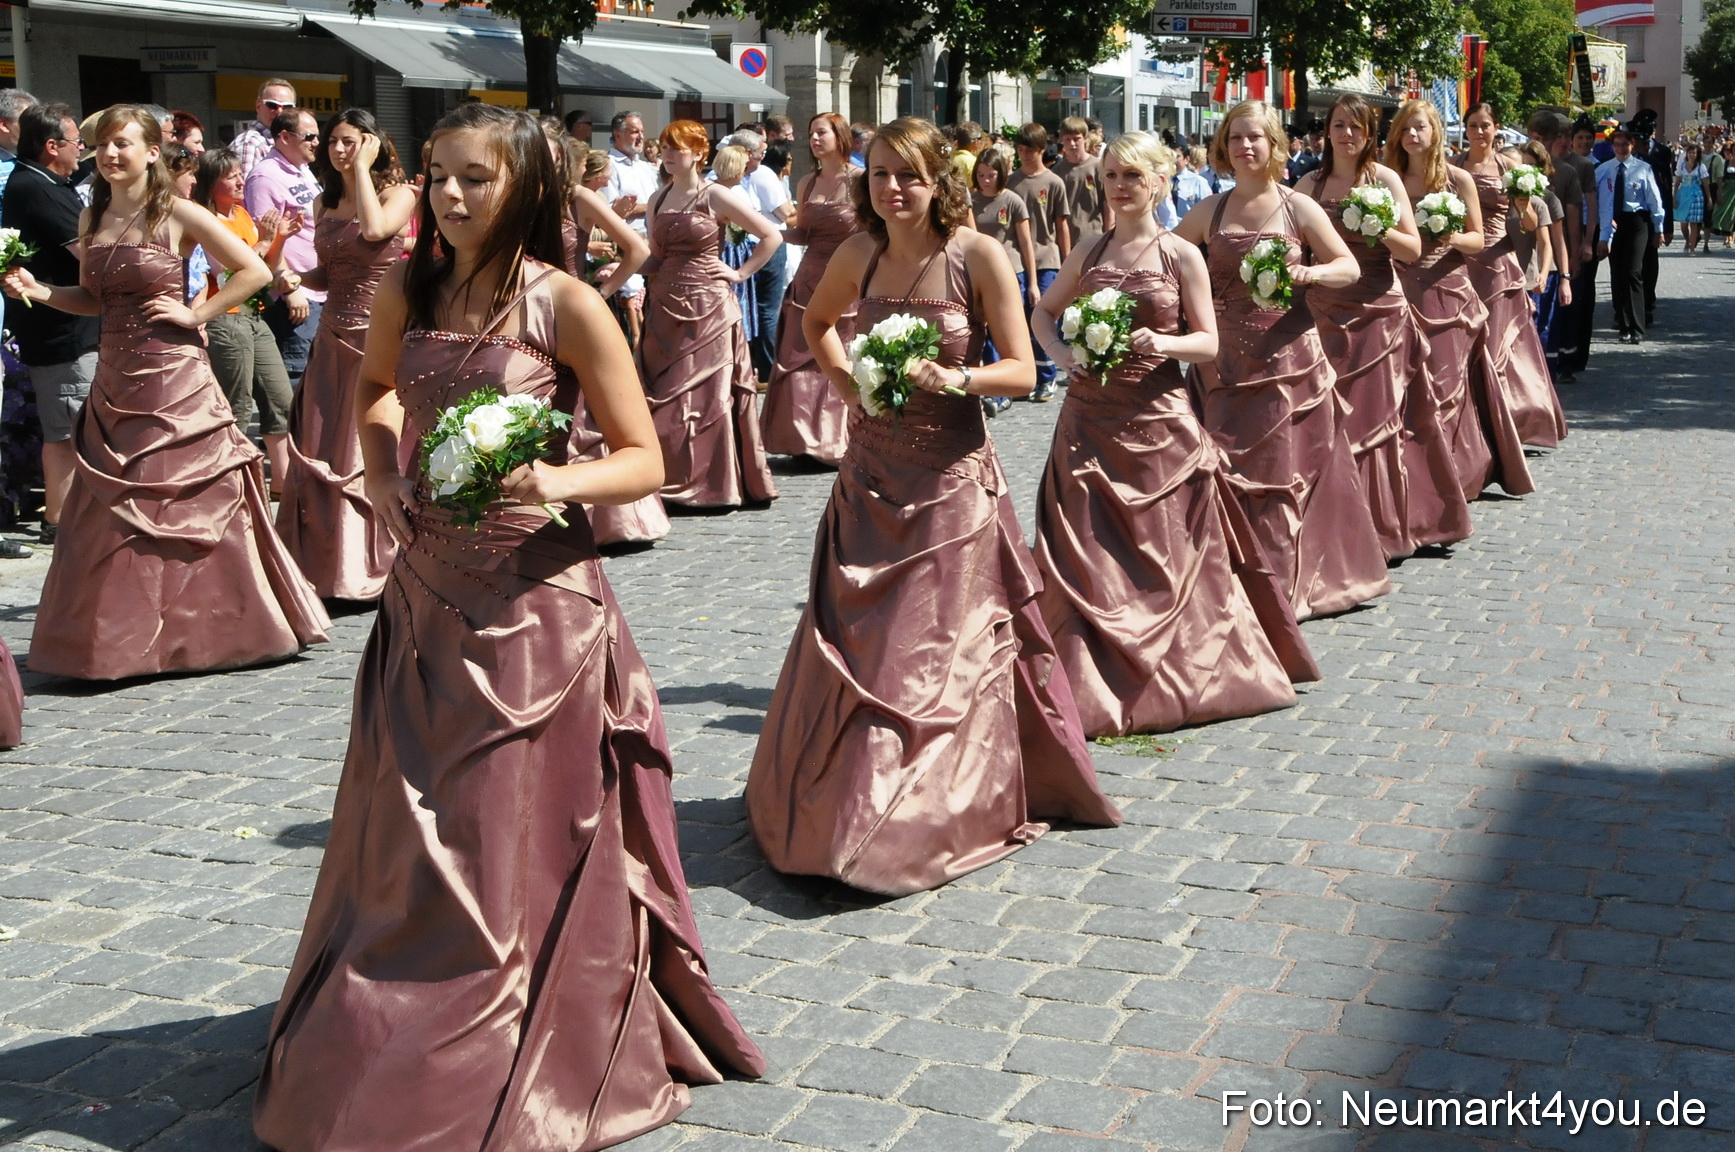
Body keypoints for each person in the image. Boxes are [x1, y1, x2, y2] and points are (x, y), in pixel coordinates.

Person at [251, 102, 763, 1151]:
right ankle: (399, 1016)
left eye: (472, 178)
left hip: (536, 605)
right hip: (428, 596)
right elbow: (381, 389)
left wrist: (555, 475)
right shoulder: (410, 285)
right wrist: (384, 475)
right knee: (414, 832)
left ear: (523, 185)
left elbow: (644, 458)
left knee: (508, 828)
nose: (447, 194)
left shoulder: (567, 304)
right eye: (438, 174)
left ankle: (525, 1026)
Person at [747, 117, 1120, 896]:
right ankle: (851, 794)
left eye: (909, 175)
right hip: (872, 475)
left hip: (951, 482)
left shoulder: (974, 254)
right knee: (865, 640)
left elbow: (1021, 372)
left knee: (937, 650)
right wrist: (849, 385)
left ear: (938, 181)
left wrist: (956, 380)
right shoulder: (860, 252)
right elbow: (814, 322)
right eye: (880, 173)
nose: (892, 188)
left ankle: (930, 804)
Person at [1, 105, 329, 679]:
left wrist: (195, 311)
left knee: (185, 499)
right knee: (118, 508)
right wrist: (40, 290)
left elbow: (252, 271)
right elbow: (92, 299)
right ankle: (124, 636)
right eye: (102, 145)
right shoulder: (90, 218)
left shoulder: (176, 212)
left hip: (175, 378)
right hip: (115, 379)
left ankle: (209, 630)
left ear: (153, 152)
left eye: (123, 144)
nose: (109, 154)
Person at [1031, 131, 1320, 737]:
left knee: (1167, 553)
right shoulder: (1087, 250)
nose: (1121, 188)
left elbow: (1208, 342)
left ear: (1161, 181)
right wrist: (1062, 355)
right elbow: (1043, 311)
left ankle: (1181, 671)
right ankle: (1088, 680)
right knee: (1087, 551)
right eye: (1111, 177)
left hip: (1159, 423)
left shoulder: (1180, 254)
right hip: (1087, 422)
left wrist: (1163, 343)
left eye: (1133, 176)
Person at [1173, 100, 1391, 621]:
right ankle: (1225, 577)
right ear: (1223, 146)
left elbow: (1347, 266)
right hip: (1222, 365)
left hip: (1289, 360)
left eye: (1255, 138)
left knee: (1288, 476)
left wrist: (1309, 276)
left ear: (1274, 145)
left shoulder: (1298, 207)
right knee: (1221, 469)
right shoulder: (1211, 210)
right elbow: (1167, 263)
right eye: (1235, 138)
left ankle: (1286, 580)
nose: (1244, 147)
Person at [1299, 93, 1470, 562]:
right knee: (1327, 420)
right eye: (1338, 125)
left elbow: (1412, 251)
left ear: (1369, 134)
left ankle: (1384, 527)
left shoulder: (1386, 179)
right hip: (1322, 316)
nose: (1346, 135)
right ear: (1327, 131)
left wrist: (1376, 225)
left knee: (1375, 421)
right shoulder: (1308, 184)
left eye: (1356, 127)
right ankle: (1333, 524)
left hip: (1378, 312)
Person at [273, 110, 417, 601]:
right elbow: (329, 274)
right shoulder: (322, 203)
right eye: (332, 142)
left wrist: (362, 171)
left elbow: (376, 234)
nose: (337, 150)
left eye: (349, 142)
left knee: (368, 445)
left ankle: (375, 560)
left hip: (382, 337)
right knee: (321, 445)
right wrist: (294, 278)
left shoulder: (398, 195)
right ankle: (322, 562)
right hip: (333, 337)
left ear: (373, 144)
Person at [1387, 99, 1530, 501]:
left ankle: (1456, 474)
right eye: (1406, 129)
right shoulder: (1386, 180)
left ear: (1435, 134)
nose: (1412, 136)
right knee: (1406, 386)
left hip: (1446, 290)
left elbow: (1477, 239)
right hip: (1398, 289)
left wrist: (1444, 233)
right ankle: (1413, 476)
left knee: (1447, 384)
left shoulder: (1457, 179)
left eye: (1421, 129)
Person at [638, 120, 780, 509]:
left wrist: (740, 273)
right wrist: (624, 266)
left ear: (700, 154)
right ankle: (671, 476)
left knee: (708, 398)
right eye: (665, 147)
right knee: (665, 395)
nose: (668, 155)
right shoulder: (657, 198)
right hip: (665, 307)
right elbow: (656, 258)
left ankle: (712, 484)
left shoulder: (714, 195)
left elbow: (771, 235)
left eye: (677, 148)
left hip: (709, 309)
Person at [545, 122, 664, 547]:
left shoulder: (578, 197)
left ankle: (612, 518)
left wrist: (604, 290)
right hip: (530, 314)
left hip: (574, 313)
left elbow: (637, 248)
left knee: (589, 409)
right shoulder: (521, 201)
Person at [1, 102, 94, 554]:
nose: (82, 150)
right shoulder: (38, 188)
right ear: (51, 146)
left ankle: (62, 519)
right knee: (71, 430)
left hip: (65, 328)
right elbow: (89, 256)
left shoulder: (47, 182)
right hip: (62, 333)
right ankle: (64, 523)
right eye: (77, 142)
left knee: (66, 430)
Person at [1452, 103, 1567, 448]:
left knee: (1498, 345)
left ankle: (1507, 424)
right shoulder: (1454, 166)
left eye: (1485, 125)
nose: (1479, 132)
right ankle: (1469, 424)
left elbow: (1532, 224)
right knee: (1464, 345)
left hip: (1498, 261)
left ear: (1496, 127)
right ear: (1467, 129)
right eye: (1473, 126)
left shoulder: (1509, 165)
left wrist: (1521, 205)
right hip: (1460, 261)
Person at [191, 148, 298, 494]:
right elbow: (228, 271)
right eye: (231, 175)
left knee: (281, 399)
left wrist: (278, 238)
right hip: (226, 316)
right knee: (235, 405)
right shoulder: (205, 219)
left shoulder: (242, 214)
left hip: (255, 313)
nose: (240, 180)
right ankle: (231, 488)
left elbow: (264, 269)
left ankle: (282, 484)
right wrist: (265, 240)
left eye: (240, 173)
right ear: (211, 183)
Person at [762, 113, 862, 467]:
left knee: (839, 356)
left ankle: (836, 439)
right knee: (797, 356)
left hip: (850, 277)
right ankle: (800, 438)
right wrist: (767, 233)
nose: (815, 139)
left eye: (822, 132)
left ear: (840, 135)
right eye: (811, 133)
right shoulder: (806, 182)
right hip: (810, 277)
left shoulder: (861, 181)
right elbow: (802, 232)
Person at [245, 107, 325, 385]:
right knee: (298, 376)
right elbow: (265, 240)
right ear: (284, 137)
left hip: (318, 289)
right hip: (295, 296)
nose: (317, 141)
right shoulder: (265, 177)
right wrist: (290, 290)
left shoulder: (302, 170)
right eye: (309, 136)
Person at [723, 128, 794, 381]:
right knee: (766, 309)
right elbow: (784, 213)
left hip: (747, 246)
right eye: (760, 153)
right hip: (756, 246)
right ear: (747, 153)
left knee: (754, 308)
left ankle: (756, 365)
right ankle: (767, 367)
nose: (763, 159)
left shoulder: (741, 177)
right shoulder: (760, 175)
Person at [1008, 122, 1071, 402]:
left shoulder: (1054, 182)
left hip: (1046, 258)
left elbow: (1062, 225)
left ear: (1041, 150)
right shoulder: (1011, 181)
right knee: (1020, 321)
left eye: (1029, 151)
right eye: (1020, 150)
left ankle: (1047, 377)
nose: (1024, 155)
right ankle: (1028, 375)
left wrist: (1068, 261)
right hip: (1017, 261)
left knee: (1042, 318)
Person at [1595, 125, 1665, 345]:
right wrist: (1602, 235)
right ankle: (1623, 324)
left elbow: (1654, 199)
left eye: (1625, 144)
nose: (1621, 148)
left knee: (1633, 271)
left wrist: (1659, 228)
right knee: (1617, 273)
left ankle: (1637, 324)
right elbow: (1600, 202)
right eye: (1617, 144)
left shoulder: (1643, 168)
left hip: (1637, 222)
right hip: (1614, 222)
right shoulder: (1604, 169)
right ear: (1612, 146)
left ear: (1632, 145)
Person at [602, 110, 658, 347]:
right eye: (634, 131)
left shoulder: (647, 168)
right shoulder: (609, 166)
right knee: (631, 306)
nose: (640, 137)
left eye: (642, 131)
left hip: (653, 241)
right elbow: (611, 210)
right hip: (627, 244)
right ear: (617, 134)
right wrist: (653, 206)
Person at [1053, 116, 1110, 246]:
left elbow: (1108, 205)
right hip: (1068, 240)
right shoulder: (1057, 173)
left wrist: (1109, 236)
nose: (1072, 144)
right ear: (1062, 141)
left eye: (1076, 139)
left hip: (1095, 237)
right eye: (1068, 139)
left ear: (1085, 138)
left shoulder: (1098, 167)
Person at [231, 78, 297, 176]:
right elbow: (244, 189)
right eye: (272, 105)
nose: (279, 111)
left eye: (287, 107)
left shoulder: (288, 142)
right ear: (258, 106)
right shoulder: (251, 144)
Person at [1675, 143, 1709, 254]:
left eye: (1694, 153)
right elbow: (1677, 182)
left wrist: (1709, 198)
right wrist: (1674, 196)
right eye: (1690, 152)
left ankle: (1692, 248)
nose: (1691, 155)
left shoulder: (1700, 167)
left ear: (1698, 154)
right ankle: (1687, 240)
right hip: (1684, 193)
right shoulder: (1682, 166)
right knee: (1683, 223)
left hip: (1696, 194)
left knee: (1694, 223)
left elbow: (1705, 184)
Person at [1171, 146, 1214, 217]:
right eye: (1171, 156)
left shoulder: (1198, 181)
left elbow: (1208, 209)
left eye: (1177, 156)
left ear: (1186, 159)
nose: (1173, 160)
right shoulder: (1165, 180)